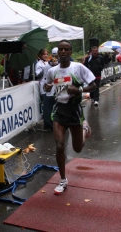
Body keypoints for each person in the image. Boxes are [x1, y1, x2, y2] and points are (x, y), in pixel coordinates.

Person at [44, 39, 96, 195]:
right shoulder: (52, 71)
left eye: (66, 49)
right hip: (59, 111)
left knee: (77, 149)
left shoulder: (78, 68)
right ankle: (63, 179)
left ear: (71, 52)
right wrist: (47, 87)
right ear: (57, 52)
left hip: (74, 111)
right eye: (61, 49)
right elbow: (48, 86)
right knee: (59, 146)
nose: (63, 52)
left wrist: (78, 90)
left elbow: (93, 85)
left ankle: (85, 128)